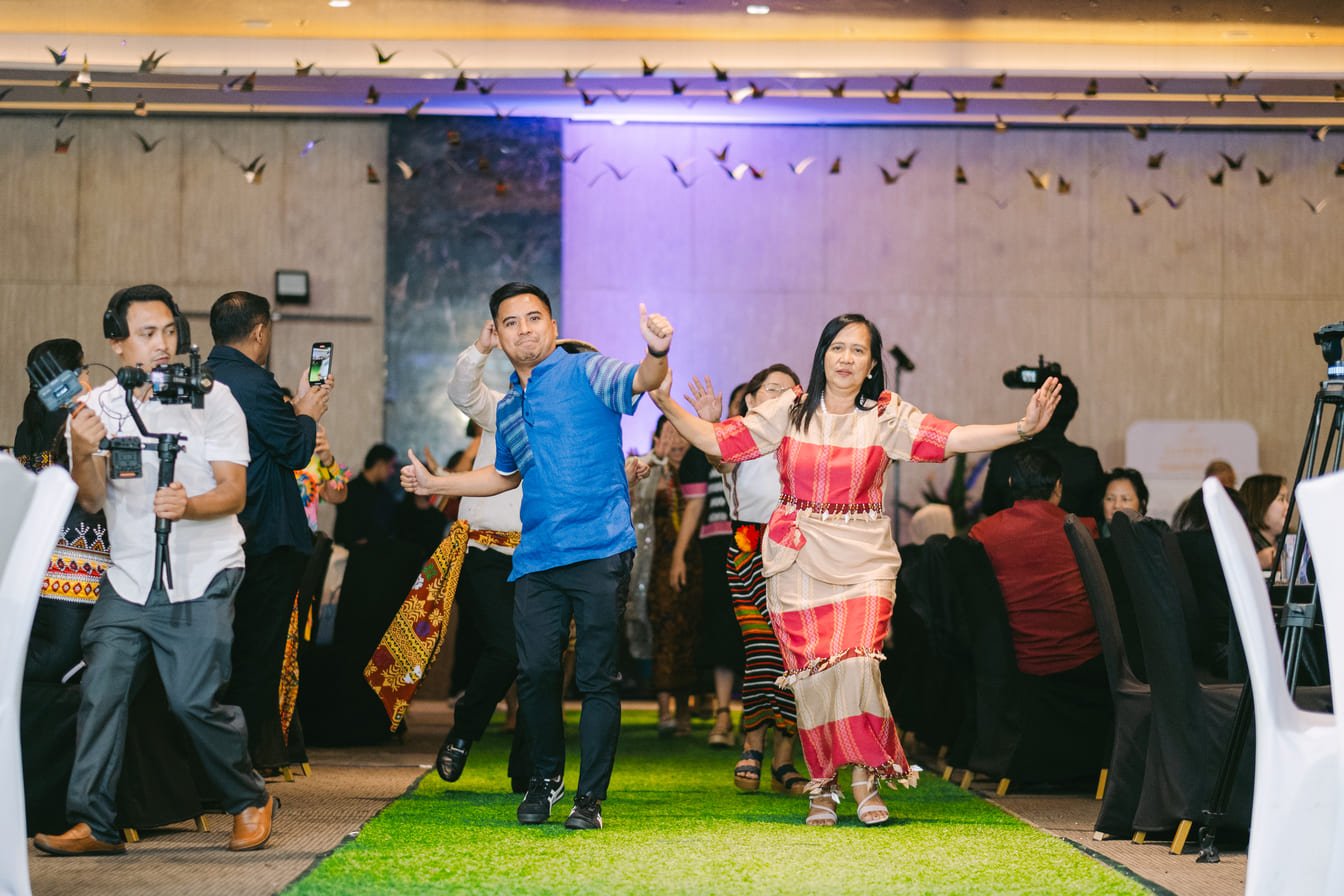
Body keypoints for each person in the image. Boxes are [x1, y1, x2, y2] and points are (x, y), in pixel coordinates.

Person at [650, 312, 1063, 827]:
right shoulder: (790, 409)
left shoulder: (885, 415)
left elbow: (950, 437)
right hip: (798, 558)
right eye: (838, 347)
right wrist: (665, 402)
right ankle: (823, 784)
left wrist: (1021, 428)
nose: (846, 358)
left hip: (864, 556)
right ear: (823, 355)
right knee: (815, 677)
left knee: (858, 665)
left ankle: (866, 778)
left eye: (858, 350)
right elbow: (722, 441)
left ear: (871, 365)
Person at [400, 281, 673, 831]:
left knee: (595, 678)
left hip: (600, 549)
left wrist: (656, 350)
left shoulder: (586, 370)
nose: (523, 329)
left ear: (552, 325)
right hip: (537, 559)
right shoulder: (510, 406)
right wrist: (438, 481)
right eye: (511, 322)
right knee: (536, 673)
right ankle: (546, 778)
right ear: (498, 336)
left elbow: (642, 379)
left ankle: (589, 799)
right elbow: (505, 475)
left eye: (533, 318)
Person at [33, 284, 276, 856]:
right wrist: (81, 449)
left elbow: (234, 491)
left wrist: (189, 505)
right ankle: (94, 823)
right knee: (101, 693)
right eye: (146, 334)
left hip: (203, 572)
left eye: (169, 331)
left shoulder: (214, 399)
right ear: (117, 344)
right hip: (128, 578)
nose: (162, 344)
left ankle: (249, 799)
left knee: (193, 701)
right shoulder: (98, 408)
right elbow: (92, 499)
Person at [208, 290, 333, 773]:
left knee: (226, 652)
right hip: (265, 535)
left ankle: (226, 766)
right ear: (260, 331)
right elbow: (296, 450)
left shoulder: (205, 377)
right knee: (257, 659)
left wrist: (298, 406)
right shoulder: (253, 382)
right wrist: (309, 413)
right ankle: (244, 768)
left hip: (222, 533)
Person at [431, 319, 531, 792]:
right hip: (487, 551)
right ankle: (463, 733)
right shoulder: (501, 409)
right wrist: (481, 348)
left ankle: (530, 768)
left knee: (539, 661)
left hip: (541, 556)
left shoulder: (567, 422)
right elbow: (462, 391)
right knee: (507, 648)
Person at [714, 363, 810, 795]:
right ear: (751, 400)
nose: (782, 397)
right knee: (763, 650)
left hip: (797, 554)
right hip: (749, 550)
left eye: (790, 392)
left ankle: (783, 760)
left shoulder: (803, 442)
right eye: (772, 389)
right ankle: (753, 744)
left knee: (794, 658)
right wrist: (712, 422)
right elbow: (717, 457)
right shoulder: (738, 437)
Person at [969, 449, 1107, 684]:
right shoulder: (1084, 529)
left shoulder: (982, 534)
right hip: (1083, 662)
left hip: (1017, 666)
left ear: (1011, 483)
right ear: (1058, 486)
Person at [671, 387, 744, 750]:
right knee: (721, 629)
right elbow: (696, 505)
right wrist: (679, 554)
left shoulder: (776, 443)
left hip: (767, 544)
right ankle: (723, 713)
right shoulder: (713, 447)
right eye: (741, 402)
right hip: (719, 546)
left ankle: (764, 718)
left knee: (763, 634)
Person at [630, 416, 698, 736]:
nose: (676, 441)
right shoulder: (650, 471)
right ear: (656, 439)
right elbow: (635, 504)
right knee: (663, 630)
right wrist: (655, 461)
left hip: (694, 563)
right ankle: (663, 709)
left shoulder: (697, 470)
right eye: (669, 434)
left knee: (689, 632)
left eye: (681, 433)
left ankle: (686, 708)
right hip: (656, 564)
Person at [981, 376, 1104, 520]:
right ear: (1072, 413)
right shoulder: (1086, 460)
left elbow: (989, 508)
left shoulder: (1003, 455)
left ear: (1035, 407)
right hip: (1070, 535)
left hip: (1008, 533)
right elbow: (1098, 514)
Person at [333, 443, 399, 547]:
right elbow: (344, 531)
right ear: (379, 464)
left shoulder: (385, 493)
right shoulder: (351, 490)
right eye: (390, 466)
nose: (392, 471)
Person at [1239, 473, 1289, 572]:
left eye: (1287, 500)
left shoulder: (1289, 542)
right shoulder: (1239, 546)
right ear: (1260, 504)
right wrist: (1255, 563)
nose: (1288, 506)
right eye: (1281, 499)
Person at [1099, 467, 1150, 536]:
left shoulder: (1154, 538)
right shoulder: (1089, 536)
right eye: (1110, 499)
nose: (1117, 505)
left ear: (1141, 505)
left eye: (1125, 499)